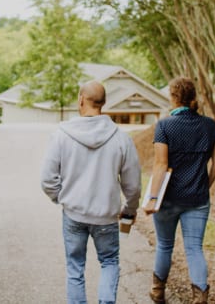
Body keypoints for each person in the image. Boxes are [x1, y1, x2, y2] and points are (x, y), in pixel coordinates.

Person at [41, 80, 142, 304]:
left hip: (73, 214)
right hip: (106, 216)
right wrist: (129, 209)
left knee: (75, 267)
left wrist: (63, 198)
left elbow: (47, 179)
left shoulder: (61, 135)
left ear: (81, 100)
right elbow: (133, 185)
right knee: (109, 262)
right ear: (103, 103)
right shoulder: (121, 138)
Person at [143, 77, 215, 304]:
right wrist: (205, 185)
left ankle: (158, 292)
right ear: (192, 98)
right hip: (197, 199)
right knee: (194, 248)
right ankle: (200, 297)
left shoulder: (165, 126)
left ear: (173, 97)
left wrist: (152, 198)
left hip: (168, 199)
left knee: (165, 245)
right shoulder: (210, 125)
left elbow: (160, 165)